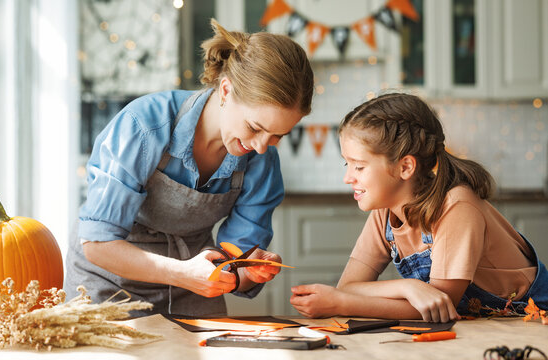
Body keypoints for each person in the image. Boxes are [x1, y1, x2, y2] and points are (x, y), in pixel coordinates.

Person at [65, 19, 314, 317]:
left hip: (191, 286)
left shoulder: (262, 159)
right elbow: (98, 243)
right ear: (225, 90)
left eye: (278, 135)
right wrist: (181, 273)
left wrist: (246, 272)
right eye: (255, 127)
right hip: (106, 280)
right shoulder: (143, 127)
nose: (262, 146)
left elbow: (235, 263)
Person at [290, 93, 548, 323]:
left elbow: (440, 305)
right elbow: (349, 285)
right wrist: (407, 289)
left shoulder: (456, 206)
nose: (348, 178)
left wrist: (341, 303)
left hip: (527, 322)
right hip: (475, 324)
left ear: (405, 167)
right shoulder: (385, 209)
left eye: (359, 166)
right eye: (346, 164)